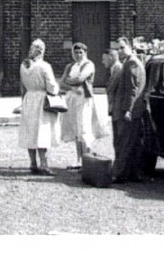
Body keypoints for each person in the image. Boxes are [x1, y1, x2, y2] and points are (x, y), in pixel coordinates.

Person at [18, 38, 61, 175]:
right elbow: (52, 86)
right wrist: (56, 90)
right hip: (42, 99)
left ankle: (32, 163)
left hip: (29, 98)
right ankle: (44, 164)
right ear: (41, 51)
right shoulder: (44, 66)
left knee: (30, 130)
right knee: (42, 130)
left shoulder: (24, 66)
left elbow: (23, 84)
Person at [59, 42, 106, 169]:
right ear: (72, 54)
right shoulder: (70, 66)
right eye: (76, 52)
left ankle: (88, 160)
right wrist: (72, 86)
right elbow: (61, 83)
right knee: (75, 128)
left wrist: (70, 82)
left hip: (84, 99)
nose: (78, 55)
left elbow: (80, 79)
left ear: (85, 53)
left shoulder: (89, 64)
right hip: (72, 99)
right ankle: (79, 160)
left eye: (81, 52)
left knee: (84, 128)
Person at [111, 36, 146, 183]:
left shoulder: (132, 63)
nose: (119, 51)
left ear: (130, 47)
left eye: (122, 48)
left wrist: (128, 109)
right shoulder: (130, 62)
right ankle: (133, 173)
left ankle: (118, 174)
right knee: (133, 143)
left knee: (124, 142)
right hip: (130, 109)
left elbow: (133, 89)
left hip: (128, 110)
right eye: (117, 48)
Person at [102, 47, 123, 152]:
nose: (102, 62)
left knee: (119, 138)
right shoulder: (114, 69)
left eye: (104, 59)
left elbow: (112, 88)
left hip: (118, 108)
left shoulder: (118, 69)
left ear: (110, 57)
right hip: (115, 109)